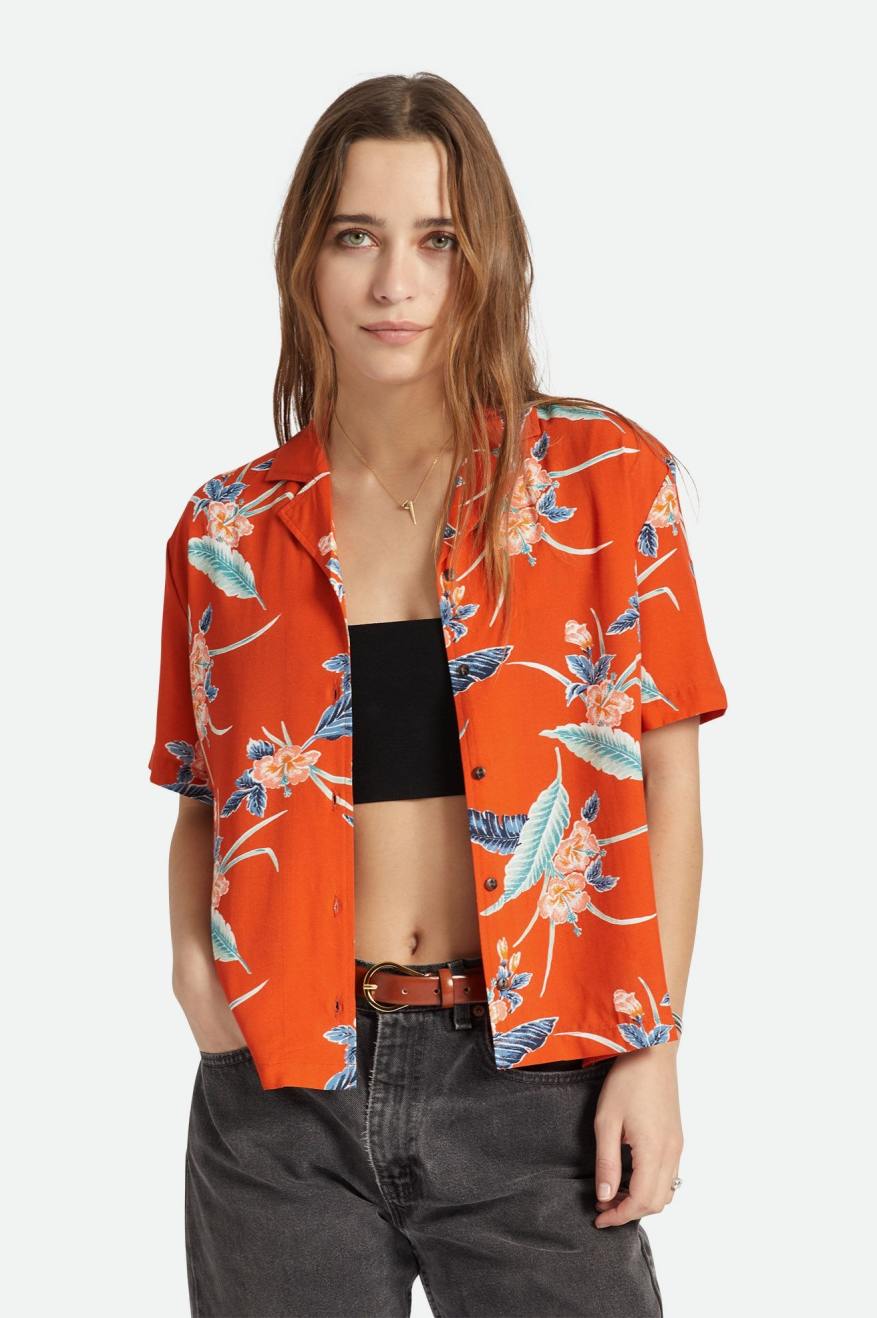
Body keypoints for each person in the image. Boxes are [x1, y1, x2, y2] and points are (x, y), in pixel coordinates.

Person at [149, 72, 728, 1318]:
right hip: (282, 1093)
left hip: (539, 1079)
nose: (394, 283)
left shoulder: (606, 483)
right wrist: (197, 974)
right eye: (356, 236)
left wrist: (653, 1045)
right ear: (305, 260)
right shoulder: (226, 529)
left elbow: (665, 784)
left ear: (489, 259)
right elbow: (202, 792)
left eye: (437, 240)